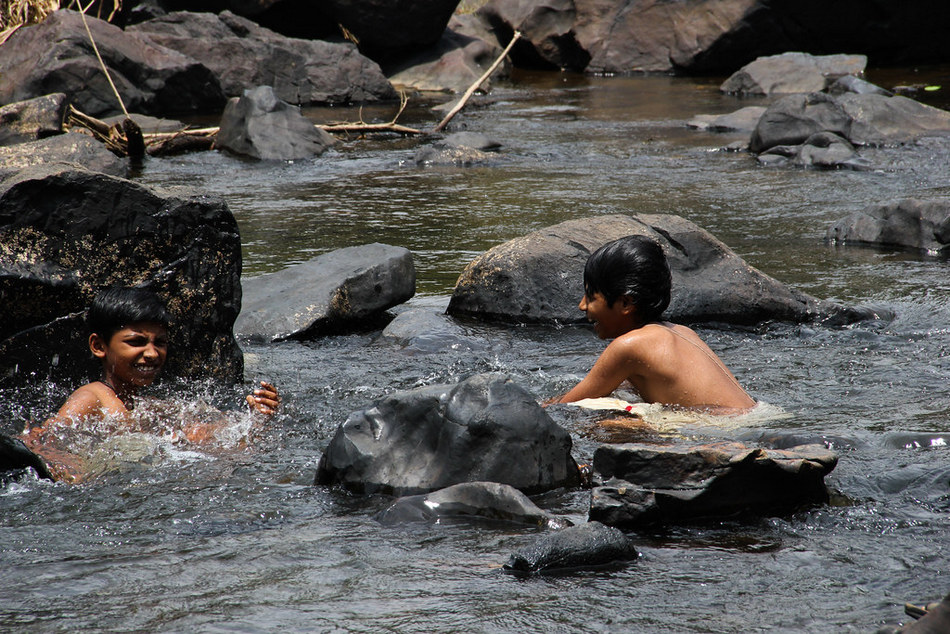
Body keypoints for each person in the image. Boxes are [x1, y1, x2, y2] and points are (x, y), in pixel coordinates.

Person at [23, 286, 280, 460]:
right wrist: (73, 473)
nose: (152, 353)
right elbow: (44, 441)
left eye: (160, 342)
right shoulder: (93, 397)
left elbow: (218, 442)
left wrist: (256, 420)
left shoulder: (151, 407)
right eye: (136, 342)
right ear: (99, 346)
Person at [548, 235, 755, 412]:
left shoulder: (629, 347)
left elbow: (566, 407)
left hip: (728, 438)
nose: (581, 305)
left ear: (625, 303)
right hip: (758, 418)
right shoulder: (682, 331)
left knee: (605, 425)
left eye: (591, 297)